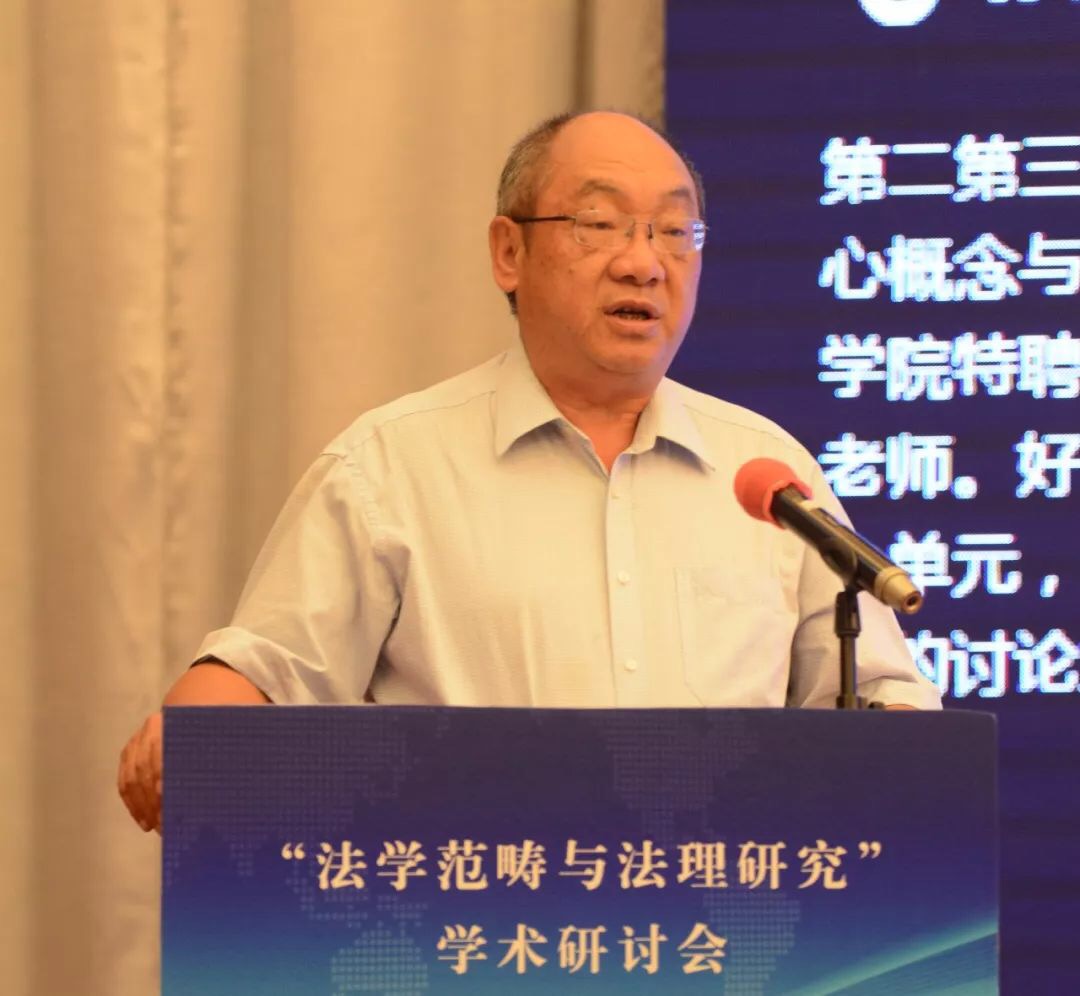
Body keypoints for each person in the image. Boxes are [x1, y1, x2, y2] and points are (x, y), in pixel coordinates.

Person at [118, 111, 941, 832]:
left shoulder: (768, 475)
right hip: (479, 923)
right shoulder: (392, 467)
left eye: (674, 231)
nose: (644, 263)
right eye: (600, 224)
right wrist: (189, 737)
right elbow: (266, 675)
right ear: (509, 251)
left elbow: (890, 704)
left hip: (727, 929)